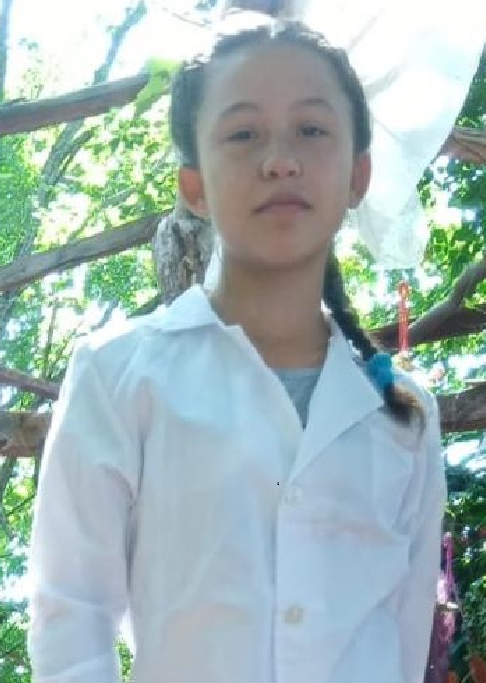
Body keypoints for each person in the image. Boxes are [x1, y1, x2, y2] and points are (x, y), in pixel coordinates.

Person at [27, 14, 446, 683]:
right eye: (243, 133)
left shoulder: (405, 416)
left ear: (358, 175)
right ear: (194, 186)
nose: (280, 159)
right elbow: (70, 622)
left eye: (312, 129)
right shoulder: (117, 377)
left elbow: (403, 640)